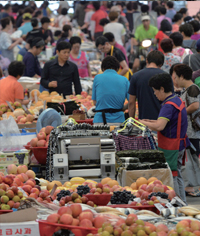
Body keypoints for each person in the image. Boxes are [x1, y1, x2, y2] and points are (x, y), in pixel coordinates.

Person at [140, 73, 189, 204]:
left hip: (171, 146)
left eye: (155, 91)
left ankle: (178, 203)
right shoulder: (176, 99)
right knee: (177, 174)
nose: (155, 94)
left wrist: (141, 122)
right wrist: (149, 121)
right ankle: (182, 202)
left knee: (173, 175)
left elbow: (160, 126)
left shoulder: (167, 105)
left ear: (162, 89)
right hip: (179, 144)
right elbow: (163, 122)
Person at [173, 64, 200, 197]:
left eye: (176, 77)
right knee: (190, 161)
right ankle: (192, 186)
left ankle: (194, 187)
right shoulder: (187, 90)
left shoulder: (192, 89)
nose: (175, 80)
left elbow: (195, 105)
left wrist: (180, 112)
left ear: (182, 77)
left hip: (192, 132)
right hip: (188, 132)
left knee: (192, 161)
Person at [128, 51, 165, 120]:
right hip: (162, 121)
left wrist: (131, 121)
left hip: (144, 122)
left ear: (147, 60)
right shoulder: (166, 76)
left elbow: (131, 102)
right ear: (161, 64)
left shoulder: (136, 76)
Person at [92, 56, 129, 124]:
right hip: (119, 120)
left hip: (100, 121)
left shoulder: (97, 78)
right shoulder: (124, 80)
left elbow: (94, 102)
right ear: (117, 69)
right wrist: (122, 108)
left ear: (103, 68)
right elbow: (131, 101)